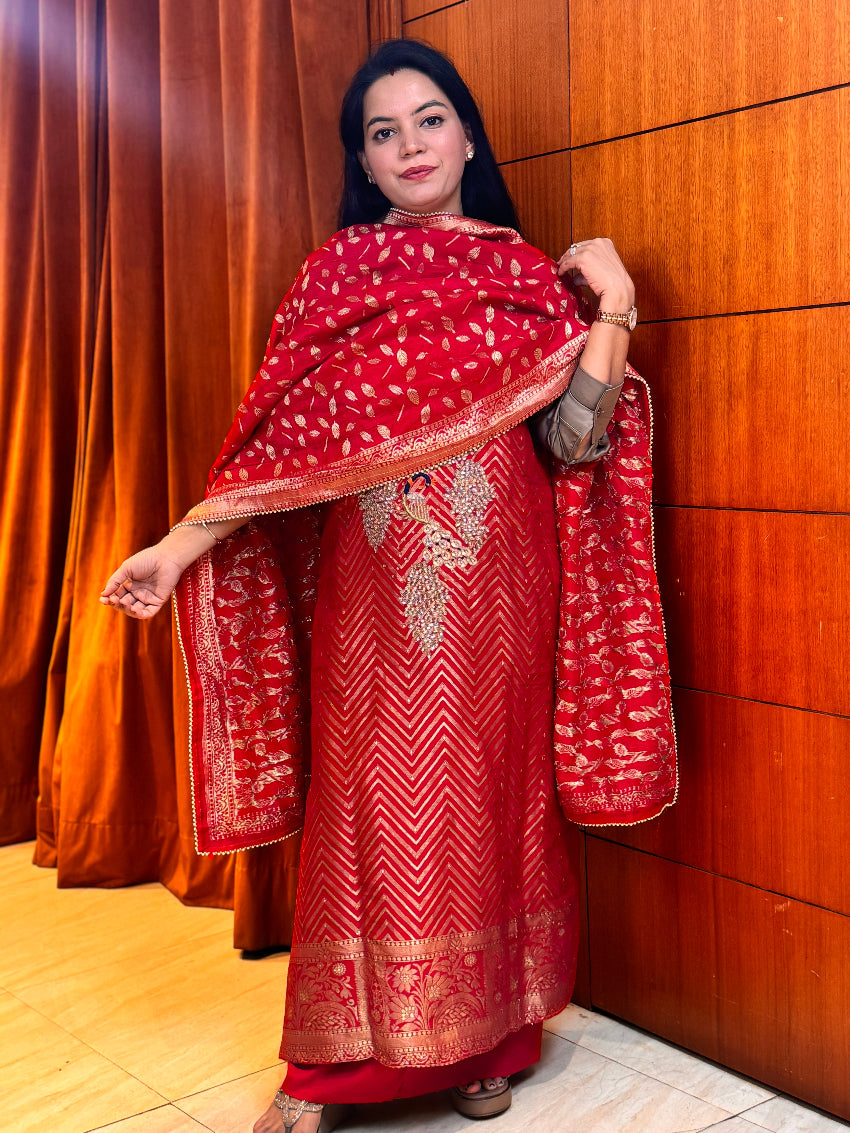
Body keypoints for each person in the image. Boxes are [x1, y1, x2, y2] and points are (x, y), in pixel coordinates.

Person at [101, 39, 675, 1133]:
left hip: (505, 587)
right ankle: (325, 1073)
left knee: (495, 799)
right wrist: (177, 546)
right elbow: (276, 451)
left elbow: (573, 439)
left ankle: (490, 1037)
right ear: (364, 161)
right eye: (383, 130)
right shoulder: (338, 277)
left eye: (427, 119)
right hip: (375, 596)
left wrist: (611, 307)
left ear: (466, 135)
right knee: (371, 808)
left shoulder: (521, 278)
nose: (409, 144)